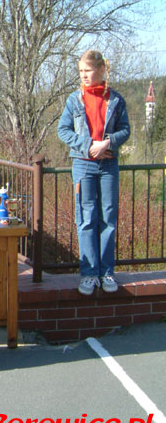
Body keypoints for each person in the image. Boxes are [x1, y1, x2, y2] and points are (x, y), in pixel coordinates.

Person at [58, 50, 130, 296]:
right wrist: (89, 146)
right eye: (81, 72)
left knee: (108, 218)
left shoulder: (116, 100)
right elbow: (64, 131)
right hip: (83, 164)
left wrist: (106, 144)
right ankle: (89, 275)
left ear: (101, 71)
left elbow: (125, 130)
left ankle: (106, 272)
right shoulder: (74, 100)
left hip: (109, 165)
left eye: (88, 71)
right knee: (86, 218)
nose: (84, 76)